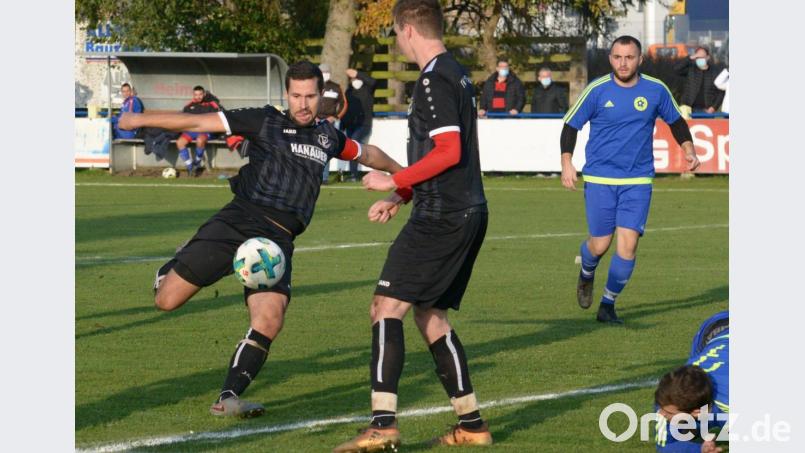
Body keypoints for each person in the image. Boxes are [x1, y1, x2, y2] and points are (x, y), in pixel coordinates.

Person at [118, 61, 404, 419]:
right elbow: (197, 122)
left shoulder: (328, 137)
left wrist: (403, 172)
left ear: (320, 95)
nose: (303, 103)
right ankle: (174, 266)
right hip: (238, 223)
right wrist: (140, 119)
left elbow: (368, 153)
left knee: (269, 318)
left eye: (310, 96)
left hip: (277, 242)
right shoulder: (265, 120)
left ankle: (228, 396)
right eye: (296, 95)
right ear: (287, 94)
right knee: (167, 301)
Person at [333, 1, 492, 451]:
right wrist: (401, 195)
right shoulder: (456, 73)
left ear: (407, 30)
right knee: (430, 316)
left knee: (386, 307)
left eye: (395, 34)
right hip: (462, 209)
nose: (396, 42)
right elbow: (439, 157)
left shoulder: (434, 79)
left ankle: (382, 425)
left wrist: (394, 178)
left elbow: (448, 152)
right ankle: (473, 425)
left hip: (443, 214)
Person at [560, 35, 700, 324]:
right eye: (617, 57)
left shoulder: (655, 90)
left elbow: (676, 121)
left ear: (640, 59)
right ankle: (587, 272)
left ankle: (608, 305)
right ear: (611, 58)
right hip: (600, 178)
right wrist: (566, 162)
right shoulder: (597, 90)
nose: (623, 63)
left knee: (628, 245)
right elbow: (571, 125)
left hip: (638, 180)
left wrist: (688, 148)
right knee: (599, 245)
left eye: (629, 57)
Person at [654, 311, 729, 452]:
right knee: (683, 432)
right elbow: (665, 448)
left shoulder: (728, 402)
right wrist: (699, 450)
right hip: (715, 329)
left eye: (669, 413)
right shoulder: (667, 397)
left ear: (696, 412)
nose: (660, 414)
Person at [177, 85, 223, 176]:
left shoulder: (211, 104)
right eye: (196, 95)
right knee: (180, 142)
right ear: (193, 95)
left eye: (200, 94)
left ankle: (197, 163)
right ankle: (190, 167)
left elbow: (218, 118)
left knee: (200, 139)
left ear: (204, 94)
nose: (198, 97)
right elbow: (183, 119)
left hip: (207, 131)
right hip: (192, 130)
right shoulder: (189, 106)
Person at [342, 67, 377, 182]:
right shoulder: (349, 91)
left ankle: (354, 174)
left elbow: (373, 81)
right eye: (353, 78)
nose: (355, 80)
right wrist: (343, 125)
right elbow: (346, 110)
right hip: (351, 125)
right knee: (352, 148)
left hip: (364, 124)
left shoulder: (368, 89)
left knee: (354, 144)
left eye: (356, 78)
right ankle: (354, 173)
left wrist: (357, 73)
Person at [318, 63, 349, 184]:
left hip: (329, 122)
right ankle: (313, 176)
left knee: (326, 148)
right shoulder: (312, 86)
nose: (325, 74)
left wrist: (335, 117)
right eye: (322, 72)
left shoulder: (336, 87)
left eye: (327, 72)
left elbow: (344, 104)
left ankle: (324, 178)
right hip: (313, 121)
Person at [674, 47, 724, 118]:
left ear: (707, 57)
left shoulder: (715, 71)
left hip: (707, 110)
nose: (699, 59)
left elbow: (721, 92)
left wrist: (714, 107)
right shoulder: (691, 69)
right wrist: (691, 57)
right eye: (698, 57)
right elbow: (676, 69)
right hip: (689, 109)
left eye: (702, 57)